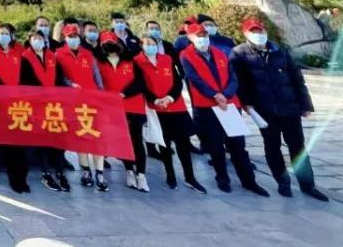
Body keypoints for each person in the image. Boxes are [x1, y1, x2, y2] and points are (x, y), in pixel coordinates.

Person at [231, 18, 328, 201]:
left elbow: (297, 79)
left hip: (289, 107)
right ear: (245, 33)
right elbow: (240, 82)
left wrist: (305, 104)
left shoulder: (280, 51)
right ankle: (283, 182)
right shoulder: (239, 54)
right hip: (265, 110)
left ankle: (307, 185)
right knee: (272, 146)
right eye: (253, 31)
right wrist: (247, 103)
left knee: (298, 147)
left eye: (260, 31)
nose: (258, 34)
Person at [180, 23, 269, 196]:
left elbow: (233, 77)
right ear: (190, 37)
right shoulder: (186, 55)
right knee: (216, 146)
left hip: (229, 104)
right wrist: (215, 95)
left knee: (238, 145)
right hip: (208, 106)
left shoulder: (220, 53)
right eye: (199, 36)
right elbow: (194, 79)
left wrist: (226, 95)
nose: (203, 39)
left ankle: (249, 181)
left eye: (205, 35)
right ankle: (222, 178)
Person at [134, 34, 206, 193]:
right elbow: (141, 85)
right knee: (164, 145)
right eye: (147, 43)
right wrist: (155, 99)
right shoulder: (137, 62)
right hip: (156, 108)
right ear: (141, 45)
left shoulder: (167, 59)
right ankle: (170, 175)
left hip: (176, 106)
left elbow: (178, 82)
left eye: (153, 43)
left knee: (183, 144)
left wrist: (170, 97)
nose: (151, 46)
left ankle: (190, 177)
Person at [56, 23, 107, 191]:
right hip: (74, 102)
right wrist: (70, 84)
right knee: (81, 136)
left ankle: (99, 173)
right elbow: (60, 77)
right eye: (70, 36)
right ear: (65, 38)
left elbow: (97, 77)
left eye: (75, 36)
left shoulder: (88, 54)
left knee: (97, 137)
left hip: (92, 101)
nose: (73, 39)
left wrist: (102, 95)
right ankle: (86, 172)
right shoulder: (59, 55)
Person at [97, 32, 148, 192]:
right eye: (106, 43)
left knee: (137, 140)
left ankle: (141, 175)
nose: (110, 45)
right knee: (123, 140)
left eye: (112, 42)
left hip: (134, 105)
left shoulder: (131, 61)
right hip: (114, 108)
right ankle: (129, 171)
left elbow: (140, 82)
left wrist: (125, 93)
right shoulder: (99, 63)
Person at [22, 29, 70, 192]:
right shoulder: (25, 58)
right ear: (29, 40)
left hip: (54, 104)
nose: (38, 41)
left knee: (58, 137)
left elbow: (59, 78)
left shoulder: (52, 56)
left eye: (40, 38)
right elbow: (25, 81)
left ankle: (60, 172)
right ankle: (45, 172)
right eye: (34, 38)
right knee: (42, 139)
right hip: (37, 103)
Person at [0, 23, 31, 193]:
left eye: (7, 33)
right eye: (1, 33)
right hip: (3, 103)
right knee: (9, 143)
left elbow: (25, 76)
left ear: (11, 36)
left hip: (19, 104)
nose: (4, 36)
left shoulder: (19, 53)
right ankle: (13, 179)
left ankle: (23, 178)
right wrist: (3, 91)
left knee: (22, 142)